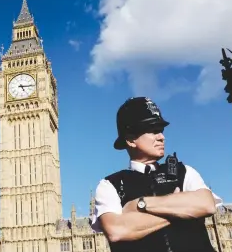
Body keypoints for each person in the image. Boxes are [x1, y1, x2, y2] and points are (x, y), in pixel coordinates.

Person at [91, 97, 223, 252]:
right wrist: (181, 209)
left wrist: (140, 204)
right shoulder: (109, 185)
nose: (162, 137)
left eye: (161, 130)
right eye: (153, 131)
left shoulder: (184, 171)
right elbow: (117, 230)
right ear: (131, 140)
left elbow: (207, 205)